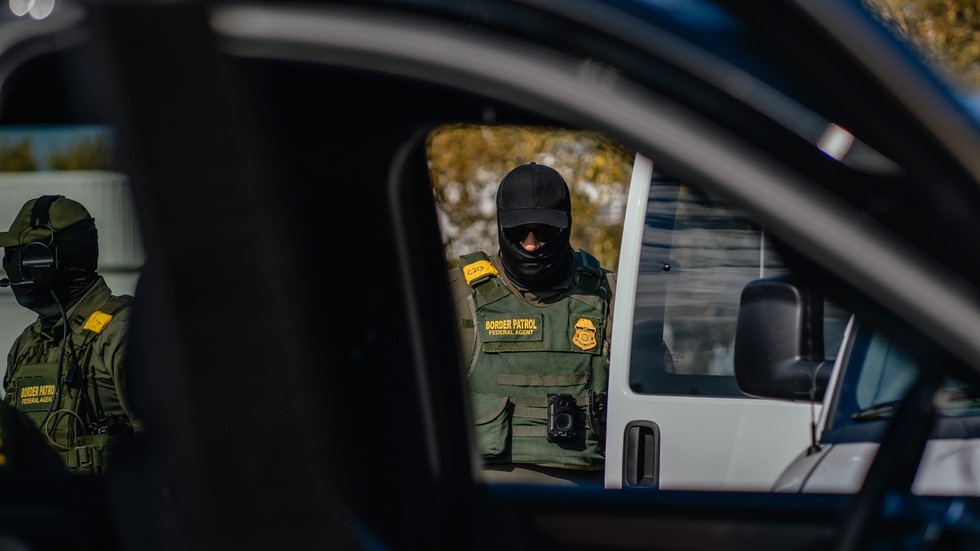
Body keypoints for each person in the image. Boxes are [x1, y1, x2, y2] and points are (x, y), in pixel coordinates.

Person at [449, 162, 615, 486]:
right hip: (485, 500)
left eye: (545, 231)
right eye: (517, 230)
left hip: (588, 502)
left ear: (567, 226)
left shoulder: (609, 295)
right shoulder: (458, 294)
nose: (530, 244)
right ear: (500, 226)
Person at [0, 194, 142, 474]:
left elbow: (168, 451)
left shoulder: (121, 331)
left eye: (18, 255)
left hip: (108, 514)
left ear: (45, 260)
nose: (9, 266)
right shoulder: (27, 345)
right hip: (48, 513)